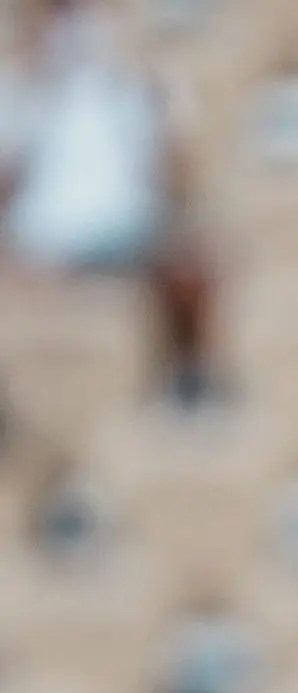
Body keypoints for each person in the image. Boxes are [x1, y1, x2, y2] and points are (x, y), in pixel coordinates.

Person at [0, 0, 217, 404]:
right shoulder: (17, 84)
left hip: (126, 229)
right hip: (40, 233)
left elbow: (177, 170)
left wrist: (147, 83)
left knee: (194, 263)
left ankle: (186, 384)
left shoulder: (139, 81)